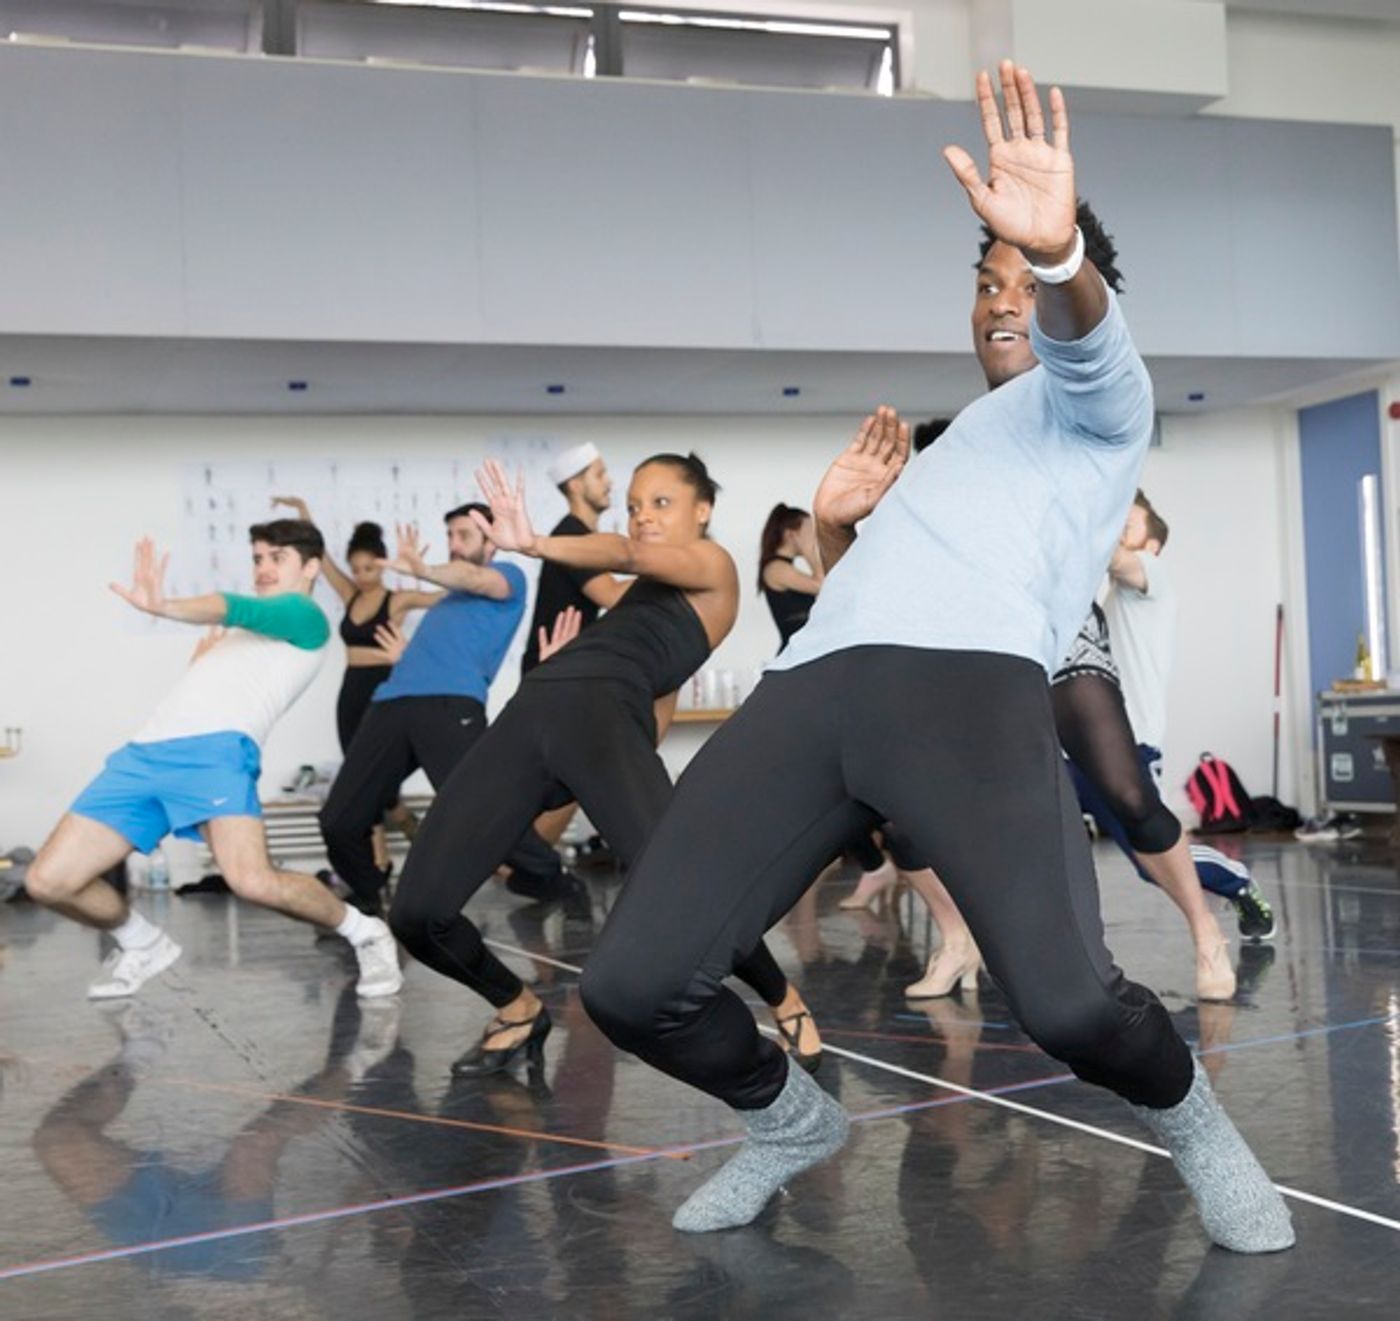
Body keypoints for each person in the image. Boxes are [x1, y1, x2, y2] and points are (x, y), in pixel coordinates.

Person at [577, 63, 1292, 1254]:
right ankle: (787, 1120)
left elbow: (1089, 349)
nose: (998, 298)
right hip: (820, 684)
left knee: (1067, 1002)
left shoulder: (1102, 405)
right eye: (984, 279)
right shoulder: (948, 437)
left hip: (968, 686)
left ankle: (1195, 1119)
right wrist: (839, 524)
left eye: (1023, 279)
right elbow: (886, 581)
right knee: (631, 986)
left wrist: (1058, 255)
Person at [388, 454, 822, 1076]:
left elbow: (631, 557)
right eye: (636, 505)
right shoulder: (634, 600)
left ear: (703, 511)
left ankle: (784, 996)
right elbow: (652, 697)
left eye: (662, 503)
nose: (644, 516)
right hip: (538, 703)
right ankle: (516, 1007)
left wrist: (534, 542)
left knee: (686, 884)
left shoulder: (714, 564)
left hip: (597, 713)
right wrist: (580, 656)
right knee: (416, 912)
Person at [24, 524, 402, 1000]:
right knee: (47, 880)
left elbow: (231, 604)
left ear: (309, 568)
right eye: (258, 558)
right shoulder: (244, 637)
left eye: (276, 557)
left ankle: (365, 931)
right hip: (147, 753)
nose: (263, 567)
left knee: (253, 881)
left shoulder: (304, 615)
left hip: (215, 756)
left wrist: (161, 606)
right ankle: (141, 942)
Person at [317, 504, 563, 917]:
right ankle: (367, 895)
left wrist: (420, 569)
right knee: (338, 817)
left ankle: (550, 875)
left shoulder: (510, 579)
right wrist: (407, 655)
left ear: (491, 540)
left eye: (463, 535)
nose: (453, 544)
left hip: (451, 707)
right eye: (449, 536)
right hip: (391, 703)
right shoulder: (448, 601)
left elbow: (470, 576)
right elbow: (445, 647)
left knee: (478, 810)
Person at [1099, 491, 1276, 942]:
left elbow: (1114, 558)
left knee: (1152, 864)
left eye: (1129, 524)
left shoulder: (1150, 577)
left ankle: (1236, 880)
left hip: (1130, 743)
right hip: (1079, 743)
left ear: (1152, 546)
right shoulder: (1111, 594)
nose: (1118, 528)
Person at [272, 497, 441, 864]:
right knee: (364, 784)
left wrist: (423, 569)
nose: (363, 576)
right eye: (357, 569)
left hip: (384, 694)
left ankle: (391, 857)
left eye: (369, 568)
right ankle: (395, 849)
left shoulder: (397, 601)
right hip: (351, 694)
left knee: (376, 785)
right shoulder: (351, 595)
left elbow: (445, 596)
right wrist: (304, 514)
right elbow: (323, 560)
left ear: (381, 564)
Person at [759, 502, 897, 910]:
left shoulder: (788, 570)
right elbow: (830, 586)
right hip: (799, 679)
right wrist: (812, 547)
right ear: (788, 532)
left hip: (821, 674)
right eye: (804, 530)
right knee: (820, 780)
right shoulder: (776, 568)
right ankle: (875, 858)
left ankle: (879, 860)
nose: (810, 538)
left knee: (837, 778)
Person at [518, 443, 630, 863]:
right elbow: (612, 594)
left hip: (565, 672)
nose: (609, 483)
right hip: (552, 670)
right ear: (576, 483)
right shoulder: (570, 536)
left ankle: (523, 860)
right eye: (600, 474)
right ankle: (523, 861)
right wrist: (682, 562)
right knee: (577, 776)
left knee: (577, 776)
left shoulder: (579, 536)